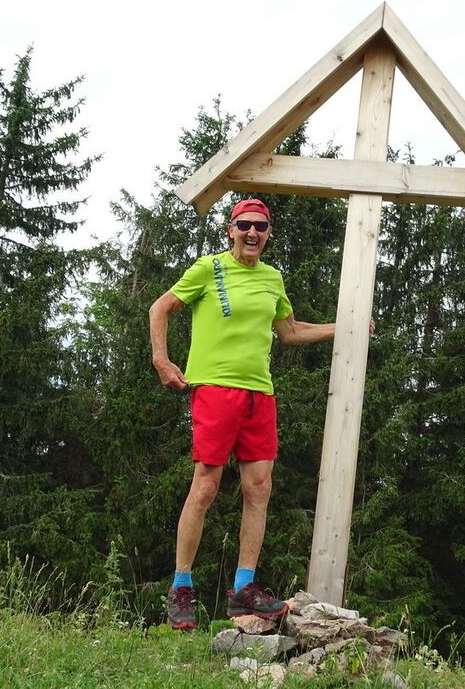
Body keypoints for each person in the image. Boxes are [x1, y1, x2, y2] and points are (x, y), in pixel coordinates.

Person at [149, 197, 343, 630]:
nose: (252, 232)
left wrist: (343, 327)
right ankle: (181, 587)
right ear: (230, 230)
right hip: (215, 390)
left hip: (260, 394)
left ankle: (243, 589)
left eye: (260, 226)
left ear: (268, 234)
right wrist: (162, 360)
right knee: (206, 486)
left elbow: (289, 331)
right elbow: (159, 308)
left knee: (259, 488)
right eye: (244, 225)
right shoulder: (208, 269)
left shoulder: (273, 278)